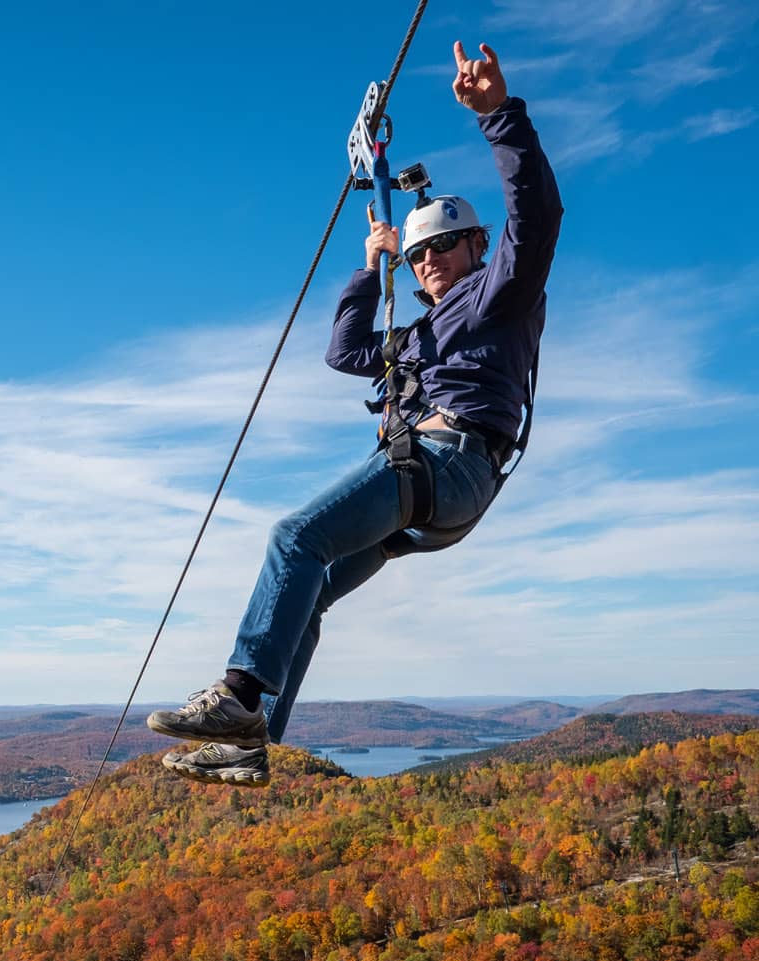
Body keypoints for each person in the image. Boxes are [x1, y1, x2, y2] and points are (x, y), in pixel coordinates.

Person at [146, 42, 561, 787]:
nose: (428, 261)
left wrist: (498, 115)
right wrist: (374, 269)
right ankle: (251, 741)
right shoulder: (418, 334)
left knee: (295, 537)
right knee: (304, 593)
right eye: (420, 254)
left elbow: (536, 216)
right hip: (431, 481)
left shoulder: (500, 296)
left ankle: (238, 698)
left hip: (449, 462)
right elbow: (344, 353)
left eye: (443, 249)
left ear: (476, 246)